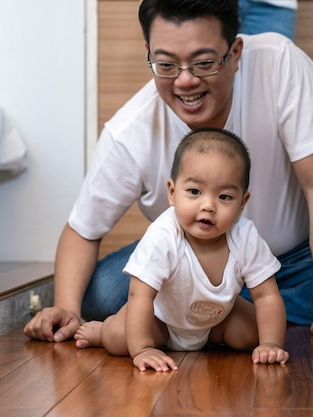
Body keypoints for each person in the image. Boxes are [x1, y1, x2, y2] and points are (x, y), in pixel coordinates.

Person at [23, 0, 313, 345]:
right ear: (148, 53)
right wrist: (67, 309)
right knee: (100, 295)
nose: (185, 80)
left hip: (294, 261)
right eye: (166, 64)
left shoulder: (280, 63)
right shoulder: (130, 132)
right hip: (187, 271)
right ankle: (235, 318)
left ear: (236, 51)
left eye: (204, 62)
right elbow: (82, 230)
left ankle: (216, 319)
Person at [74, 128, 289, 371]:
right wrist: (143, 349)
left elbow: (267, 296)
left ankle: (217, 337)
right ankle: (102, 330)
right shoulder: (164, 235)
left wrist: (271, 343)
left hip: (217, 320)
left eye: (225, 197)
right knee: (119, 339)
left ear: (242, 203)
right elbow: (140, 295)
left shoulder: (245, 236)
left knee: (258, 332)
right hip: (160, 320)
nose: (208, 206)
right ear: (173, 193)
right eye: (195, 192)